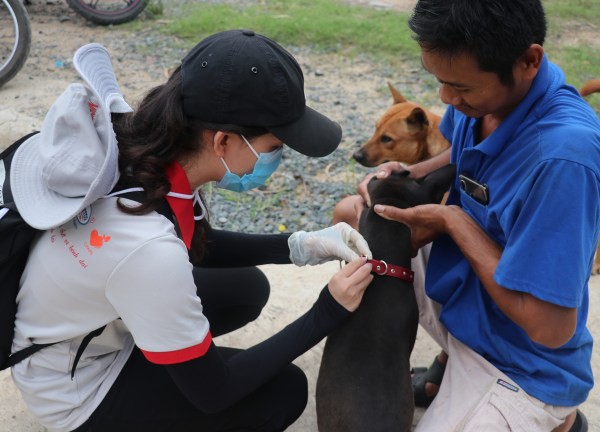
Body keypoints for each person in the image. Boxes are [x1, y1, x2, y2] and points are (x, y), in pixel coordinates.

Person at [8, 32, 375, 432]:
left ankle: (168, 351)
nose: (276, 157)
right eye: (274, 145)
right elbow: (215, 392)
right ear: (223, 140)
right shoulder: (147, 250)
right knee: (282, 391)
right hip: (77, 391)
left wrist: (298, 245)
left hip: (88, 325)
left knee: (245, 290)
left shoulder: (146, 148)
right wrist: (328, 311)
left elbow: (195, 239)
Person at [353, 1, 599, 431]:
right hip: (476, 302)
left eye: (460, 88)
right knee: (356, 217)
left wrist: (455, 221)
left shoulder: (563, 161)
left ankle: (554, 417)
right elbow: (459, 155)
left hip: (524, 361)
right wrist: (405, 173)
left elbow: (549, 328)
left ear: (529, 60)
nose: (447, 99)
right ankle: (454, 359)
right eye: (440, 82)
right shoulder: (485, 101)